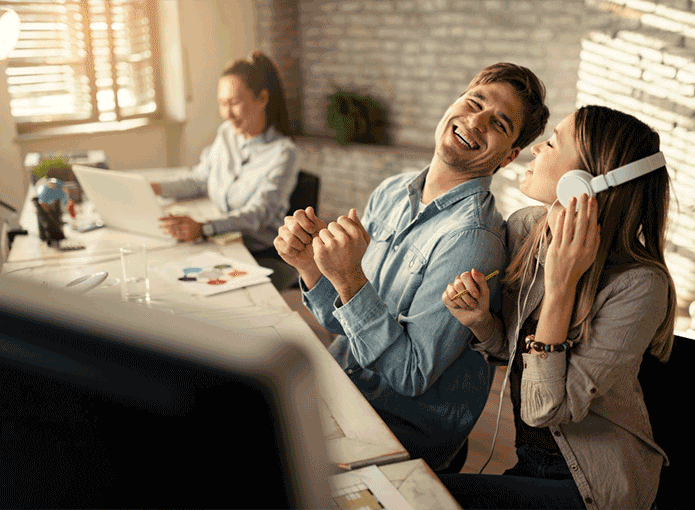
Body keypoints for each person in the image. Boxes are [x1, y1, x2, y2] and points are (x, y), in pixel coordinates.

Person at [274, 63, 550, 471]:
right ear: (454, 103)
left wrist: (350, 278)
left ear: (510, 156)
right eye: (474, 103)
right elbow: (346, 325)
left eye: (498, 123)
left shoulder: (472, 239)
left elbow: (409, 376)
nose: (475, 121)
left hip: (396, 425)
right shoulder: (392, 191)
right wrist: (311, 268)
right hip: (343, 385)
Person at [439, 105, 675, 509]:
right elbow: (514, 354)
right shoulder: (526, 230)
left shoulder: (640, 286)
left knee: (427, 495)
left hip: (598, 487)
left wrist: (561, 286)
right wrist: (482, 323)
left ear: (583, 183)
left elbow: (541, 409)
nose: (534, 150)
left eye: (551, 143)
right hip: (531, 463)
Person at [151, 50, 298, 256]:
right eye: (222, 104)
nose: (227, 114)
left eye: (234, 103)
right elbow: (199, 179)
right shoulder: (226, 134)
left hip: (256, 253)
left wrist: (204, 227)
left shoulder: (284, 154)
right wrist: (155, 188)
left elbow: (259, 214)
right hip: (219, 240)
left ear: (262, 98)